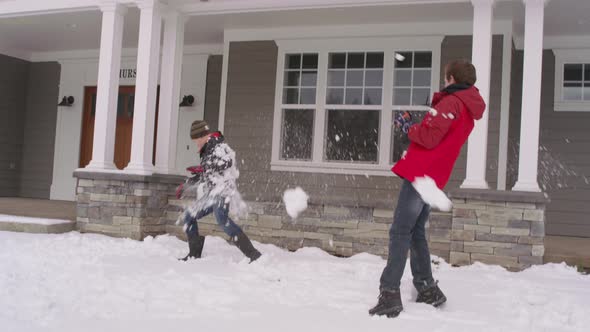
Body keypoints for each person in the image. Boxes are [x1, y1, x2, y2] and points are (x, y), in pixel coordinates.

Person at [369, 59, 485, 318]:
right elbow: (438, 133)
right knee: (415, 230)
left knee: (400, 231)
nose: (444, 82)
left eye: (446, 78)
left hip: (421, 172)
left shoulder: (452, 103)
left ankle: (389, 293)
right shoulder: (465, 107)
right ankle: (427, 287)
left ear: (452, 78)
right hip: (434, 176)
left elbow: (430, 137)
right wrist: (419, 125)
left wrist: (408, 126)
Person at [176, 120, 261, 262]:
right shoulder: (208, 148)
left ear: (203, 135)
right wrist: (187, 184)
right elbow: (207, 173)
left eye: (196, 139)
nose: (196, 143)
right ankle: (194, 254)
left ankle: (253, 255)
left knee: (222, 221)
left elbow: (227, 162)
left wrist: (208, 166)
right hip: (213, 192)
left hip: (223, 191)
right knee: (189, 216)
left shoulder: (218, 145)